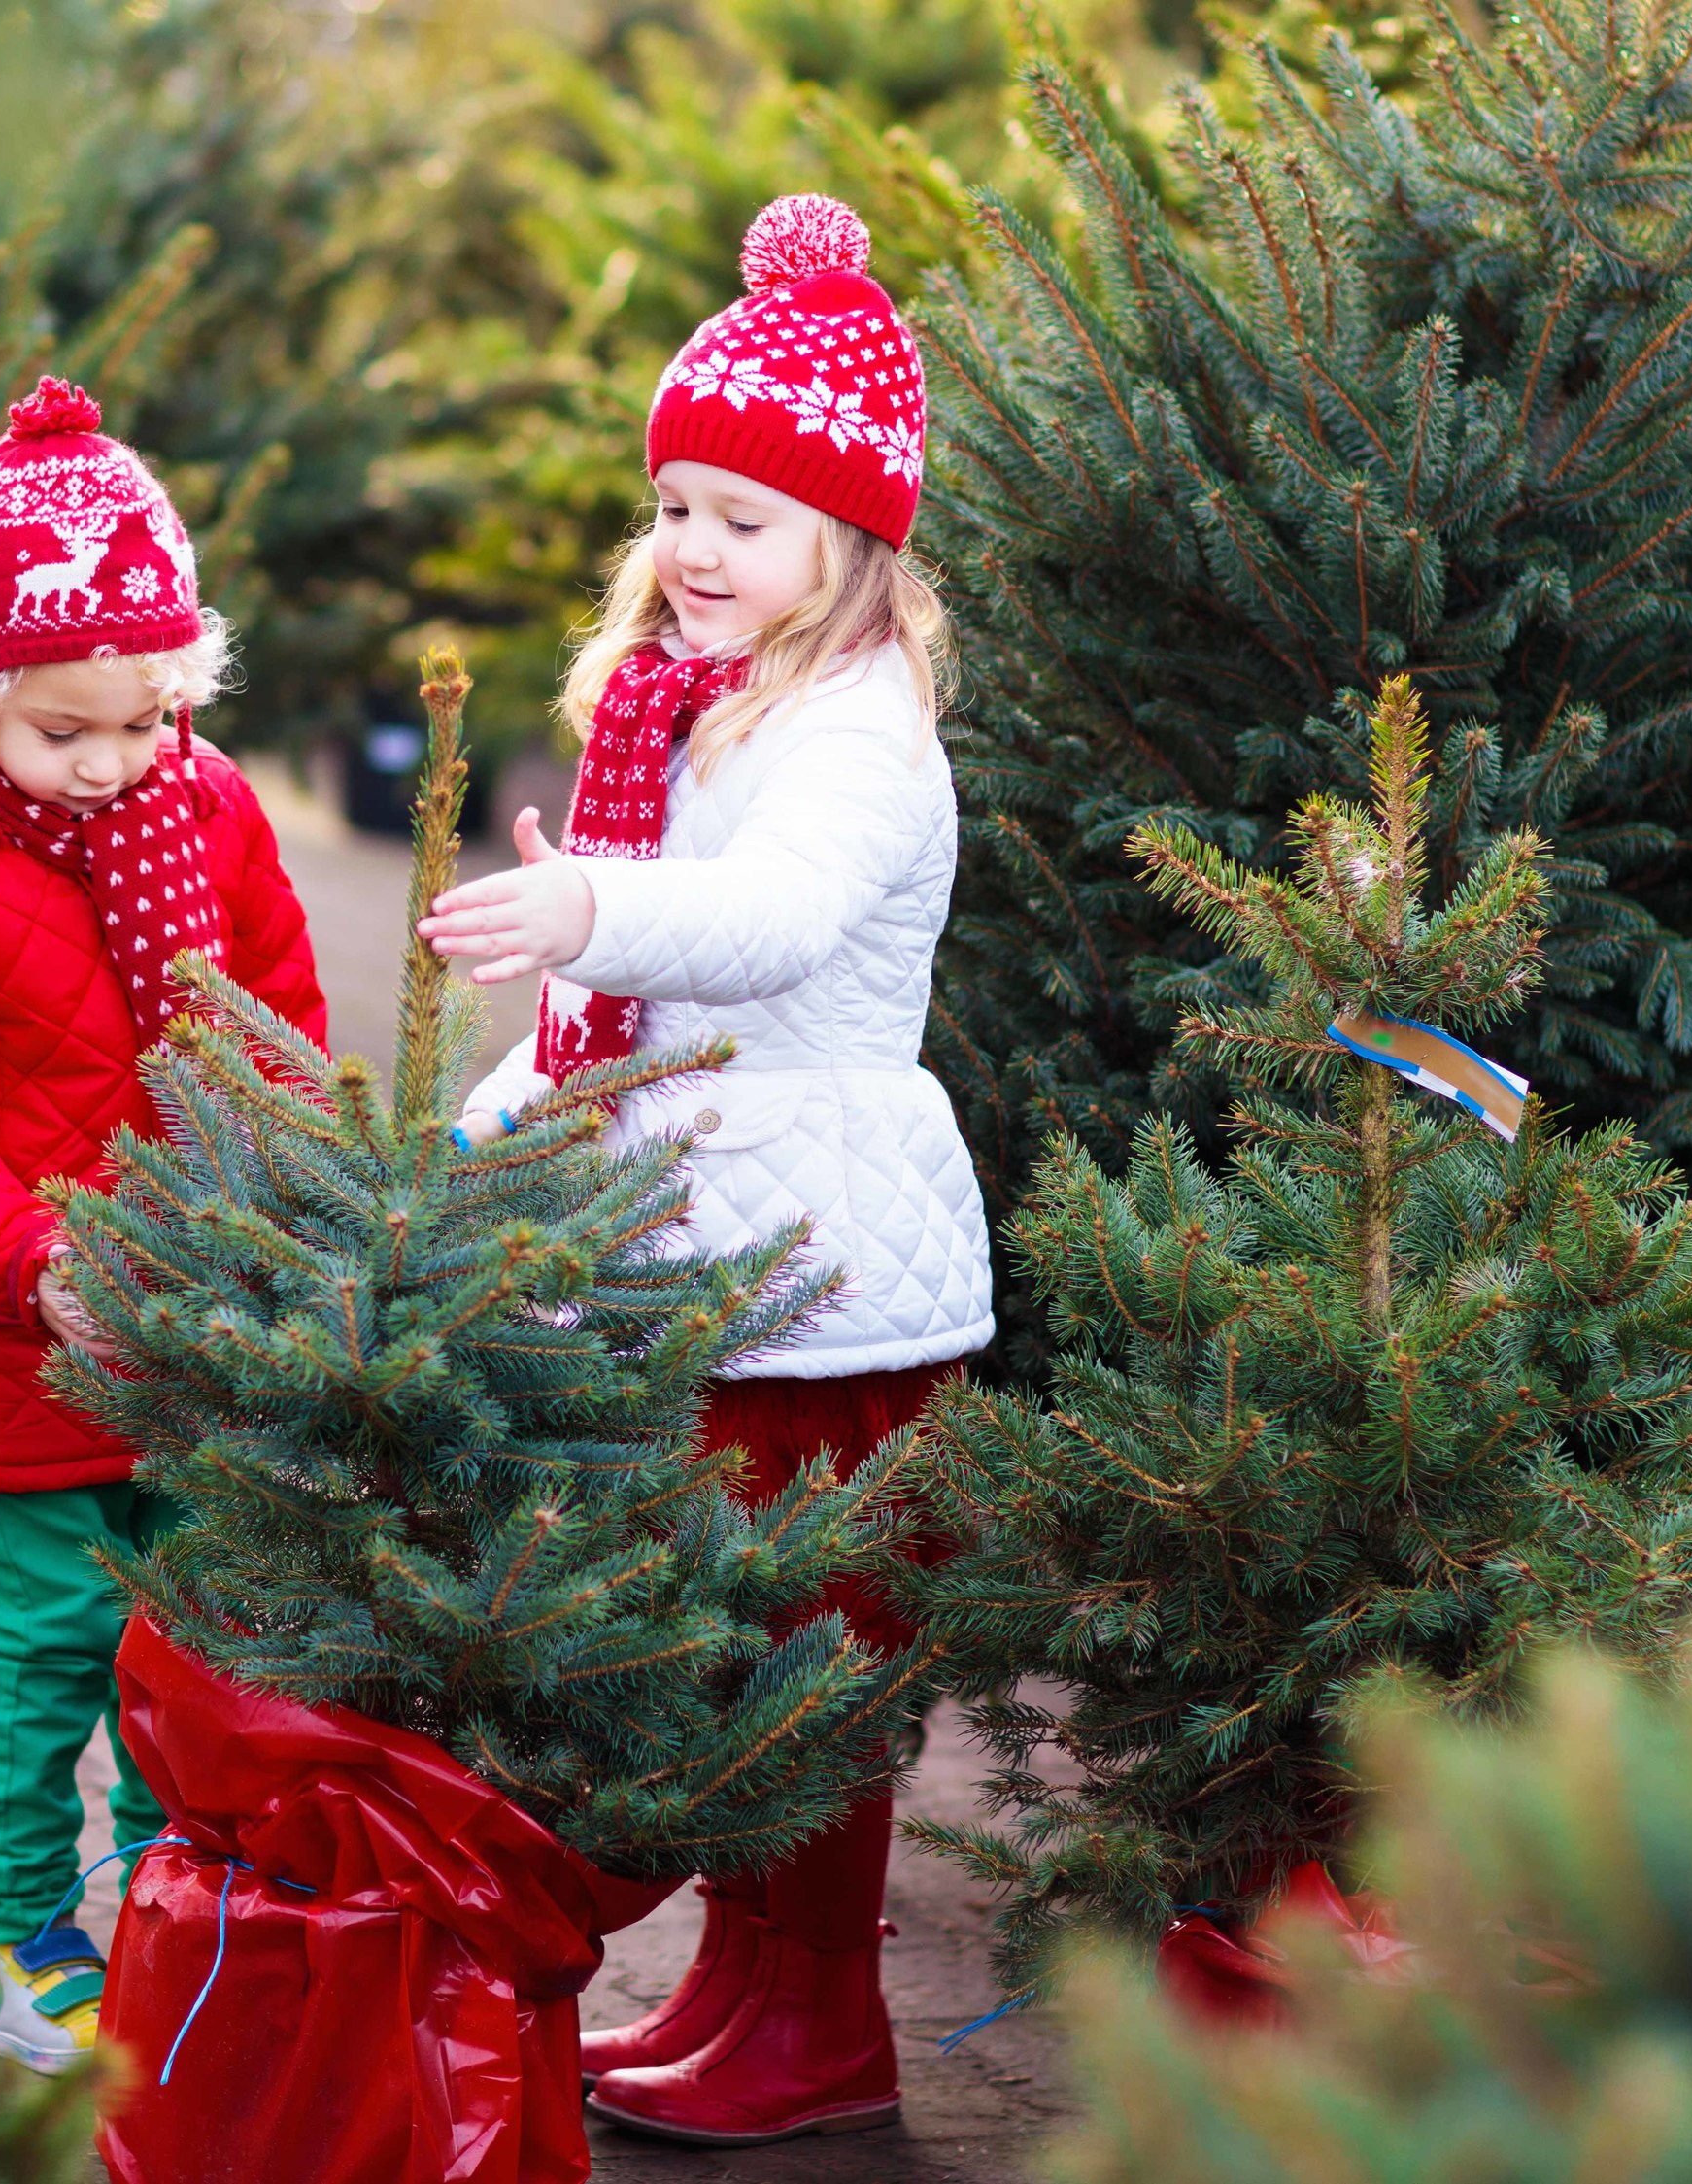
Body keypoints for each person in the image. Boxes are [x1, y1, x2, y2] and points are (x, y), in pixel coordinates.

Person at [419, 194, 990, 2148]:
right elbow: (652, 1021)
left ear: (851, 540)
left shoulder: (856, 733)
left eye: (742, 518)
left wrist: (588, 899)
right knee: (732, 1612)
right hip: (725, 1230)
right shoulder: (705, 710)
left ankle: (817, 2017)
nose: (689, 551)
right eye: (671, 507)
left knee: (796, 1645)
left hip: (824, 1258)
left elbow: (764, 926)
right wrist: (506, 1114)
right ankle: (743, 1989)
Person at [0, 376, 325, 2074]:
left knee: (193, 1626)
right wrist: (46, 1263)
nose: (115, 763)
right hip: (15, 1337)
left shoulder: (211, 804)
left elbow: (277, 1007)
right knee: (57, 1633)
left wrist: (298, 1169)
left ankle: (182, 1886)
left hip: (198, 1314)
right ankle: (14, 1927)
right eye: (66, 730)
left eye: (146, 719)